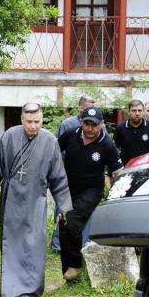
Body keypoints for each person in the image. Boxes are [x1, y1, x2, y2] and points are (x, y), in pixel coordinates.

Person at [0, 103, 72, 297]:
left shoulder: (50, 141)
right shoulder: (9, 137)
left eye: (37, 122)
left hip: (36, 201)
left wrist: (63, 206)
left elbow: (59, 177)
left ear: (42, 120)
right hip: (11, 200)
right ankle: (11, 291)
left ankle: (31, 290)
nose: (33, 126)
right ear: (22, 120)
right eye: (29, 122)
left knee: (34, 245)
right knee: (12, 244)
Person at [58, 107, 123, 281]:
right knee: (63, 227)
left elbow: (118, 172)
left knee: (72, 220)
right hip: (68, 188)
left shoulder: (107, 144)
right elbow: (54, 153)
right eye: (87, 124)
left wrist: (118, 194)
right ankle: (69, 274)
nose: (90, 129)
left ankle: (76, 265)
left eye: (94, 125)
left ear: (101, 124)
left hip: (92, 191)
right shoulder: (70, 135)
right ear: (81, 121)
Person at [51, 94, 97, 253]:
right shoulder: (67, 124)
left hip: (88, 178)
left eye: (94, 107)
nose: (92, 110)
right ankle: (58, 245)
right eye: (89, 106)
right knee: (63, 209)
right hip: (66, 175)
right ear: (80, 108)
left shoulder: (98, 126)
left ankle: (83, 245)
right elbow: (57, 151)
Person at [114, 99, 149, 166]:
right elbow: (114, 150)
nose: (137, 113)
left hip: (145, 168)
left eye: (139, 110)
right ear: (129, 112)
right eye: (134, 110)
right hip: (126, 168)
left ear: (143, 112)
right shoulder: (120, 128)